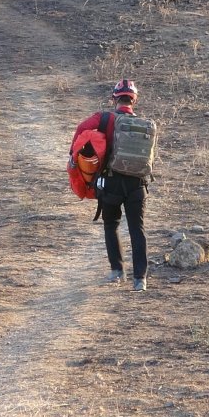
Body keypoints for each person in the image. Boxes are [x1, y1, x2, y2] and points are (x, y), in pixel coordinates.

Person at [71, 80, 149, 292]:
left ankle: (117, 271)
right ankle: (140, 279)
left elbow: (81, 129)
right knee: (137, 229)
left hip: (111, 182)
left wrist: (73, 155)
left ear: (114, 98)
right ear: (134, 100)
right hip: (137, 184)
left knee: (111, 225)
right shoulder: (143, 125)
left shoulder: (104, 118)